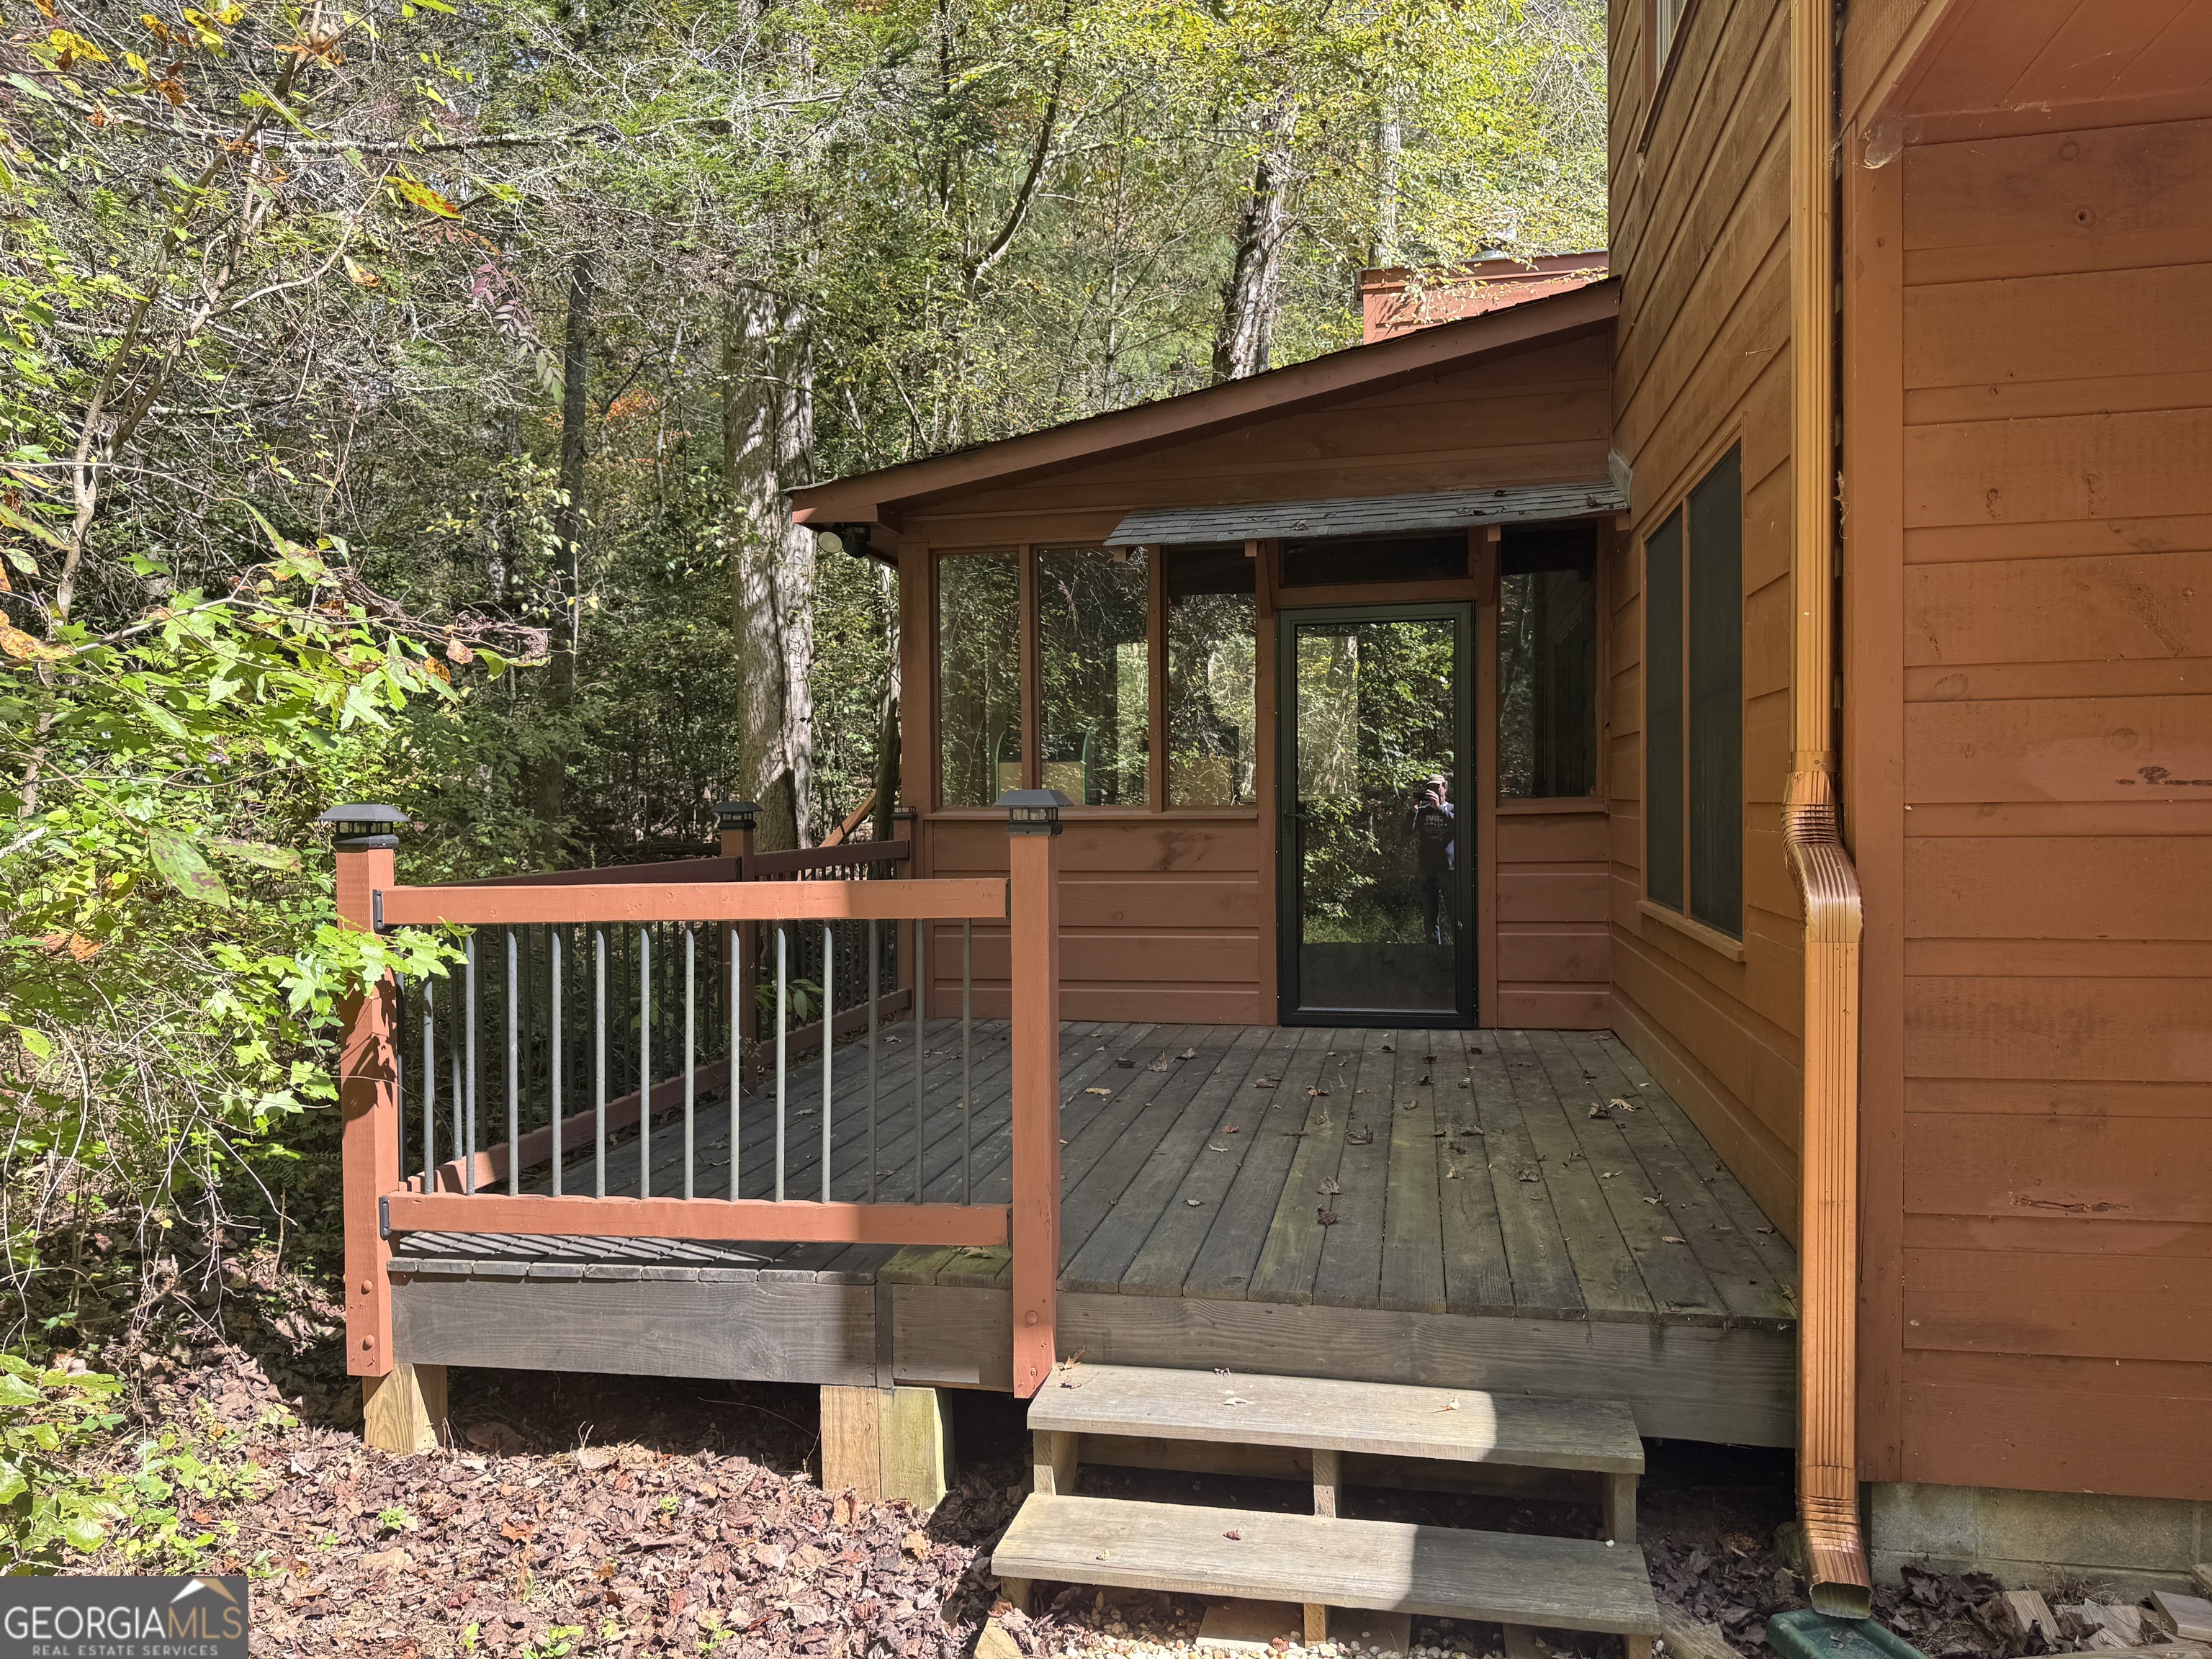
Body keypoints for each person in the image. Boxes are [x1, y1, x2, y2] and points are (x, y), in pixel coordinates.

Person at [1413, 773, 1457, 945]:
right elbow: (1406, 833)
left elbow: (1460, 827)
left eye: (1437, 787)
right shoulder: (1422, 812)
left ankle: (1458, 952)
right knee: (1430, 917)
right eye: (1430, 787)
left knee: (1455, 913)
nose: (1433, 790)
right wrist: (1412, 813)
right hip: (1427, 870)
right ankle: (1434, 955)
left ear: (1444, 788)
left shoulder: (1454, 809)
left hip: (1450, 870)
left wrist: (1440, 808)